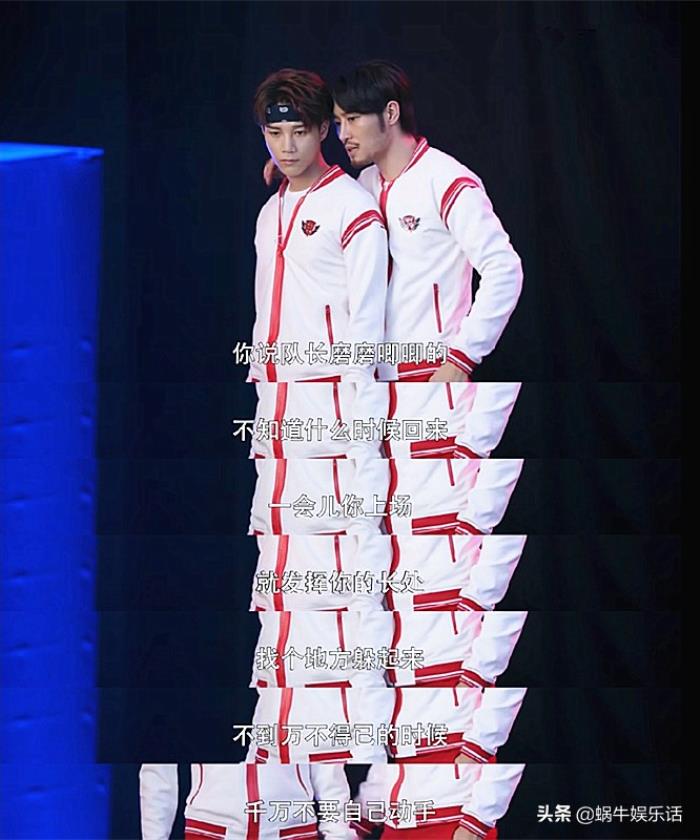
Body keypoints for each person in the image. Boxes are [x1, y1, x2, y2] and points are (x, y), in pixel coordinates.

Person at [332, 60, 523, 383]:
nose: (343, 135)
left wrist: (462, 358)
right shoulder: (362, 185)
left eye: (352, 119)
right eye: (338, 123)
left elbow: (504, 269)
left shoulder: (446, 180)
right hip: (370, 379)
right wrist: (295, 173)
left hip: (431, 372)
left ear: (391, 113)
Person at [248, 68, 388, 384]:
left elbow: (368, 313)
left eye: (299, 132)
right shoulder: (269, 212)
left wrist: (356, 384)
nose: (287, 147)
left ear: (323, 129)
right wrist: (258, 374)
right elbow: (263, 303)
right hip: (272, 391)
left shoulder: (352, 205)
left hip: (332, 387)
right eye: (275, 133)